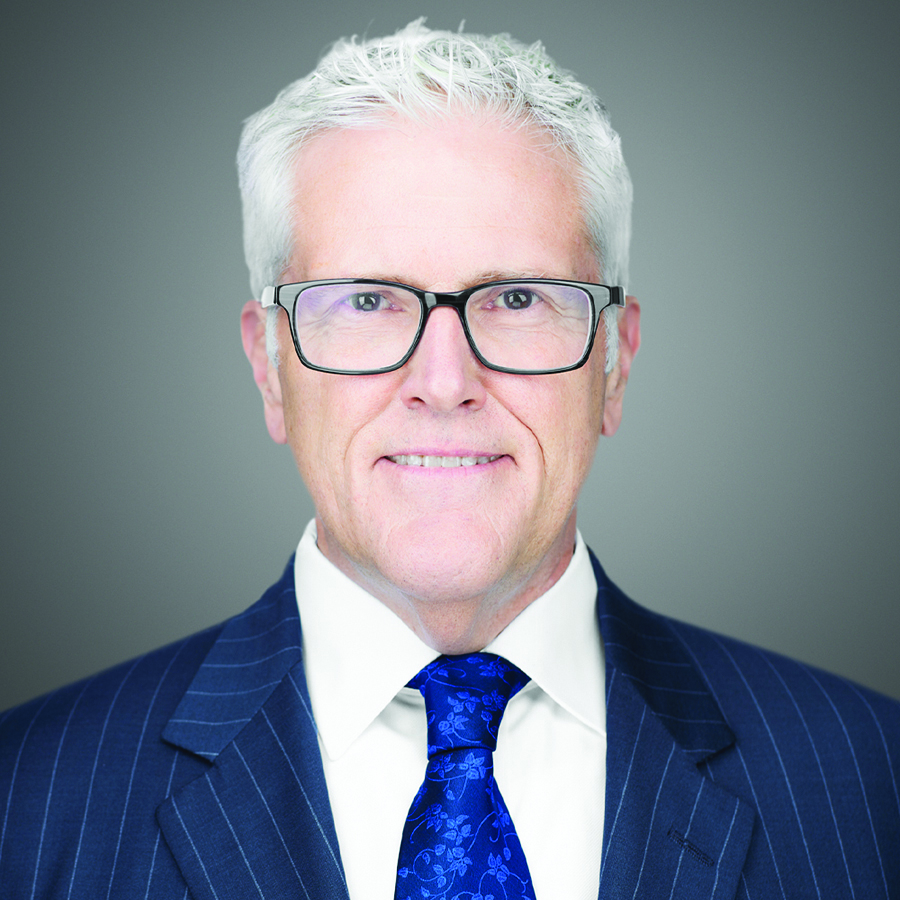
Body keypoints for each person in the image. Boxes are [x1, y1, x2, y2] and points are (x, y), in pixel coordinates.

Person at [1, 20, 898, 900]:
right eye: (366, 301)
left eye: (517, 298)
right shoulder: (23, 799)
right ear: (270, 366)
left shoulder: (873, 778)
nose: (443, 382)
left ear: (615, 363)